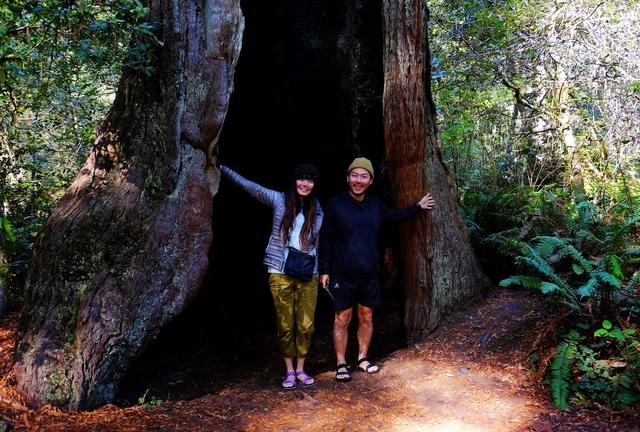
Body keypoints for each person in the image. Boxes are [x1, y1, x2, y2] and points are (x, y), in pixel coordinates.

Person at [318, 157, 435, 382]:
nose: (358, 180)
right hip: (342, 273)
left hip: (369, 273)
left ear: (370, 181)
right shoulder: (335, 205)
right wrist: (324, 270)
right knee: (342, 318)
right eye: (355, 175)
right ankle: (341, 363)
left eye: (364, 176)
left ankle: (362, 358)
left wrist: (417, 207)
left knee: (366, 315)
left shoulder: (375, 205)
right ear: (347, 178)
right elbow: (325, 240)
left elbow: (394, 217)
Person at [219, 163, 323, 389]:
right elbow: (251, 187)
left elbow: (322, 243)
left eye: (310, 180)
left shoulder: (318, 209)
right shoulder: (279, 200)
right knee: (285, 324)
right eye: (301, 179)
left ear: (314, 185)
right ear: (294, 181)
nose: (305, 184)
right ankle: (289, 371)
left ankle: (301, 369)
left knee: (305, 325)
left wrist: (324, 270)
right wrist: (223, 168)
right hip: (280, 270)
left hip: (308, 272)